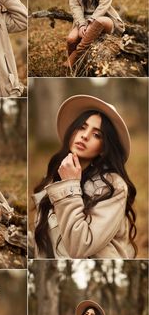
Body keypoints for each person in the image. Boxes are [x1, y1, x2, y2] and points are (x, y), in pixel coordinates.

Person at [33, 94, 137, 259]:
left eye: (97, 135)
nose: (85, 136)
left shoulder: (113, 186)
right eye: (82, 127)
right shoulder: (53, 177)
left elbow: (79, 247)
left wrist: (69, 185)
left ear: (104, 148)